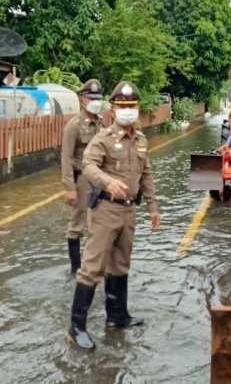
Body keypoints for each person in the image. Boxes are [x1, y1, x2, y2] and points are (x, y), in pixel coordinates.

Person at [66, 81, 160, 351]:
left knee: (120, 263)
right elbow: (88, 165)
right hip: (106, 209)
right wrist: (107, 182)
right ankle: (76, 327)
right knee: (93, 266)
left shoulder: (140, 140)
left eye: (131, 106)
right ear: (113, 109)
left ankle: (117, 316)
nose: (127, 111)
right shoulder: (104, 138)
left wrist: (153, 207)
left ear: (137, 109)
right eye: (122, 106)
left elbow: (147, 175)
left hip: (129, 210)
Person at [61, 78, 105, 275]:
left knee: (98, 223)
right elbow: (66, 158)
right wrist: (69, 188)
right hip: (82, 181)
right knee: (77, 225)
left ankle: (93, 266)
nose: (96, 101)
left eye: (98, 97)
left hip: (100, 180)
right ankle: (75, 270)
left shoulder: (102, 123)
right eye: (91, 98)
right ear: (81, 100)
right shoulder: (74, 125)